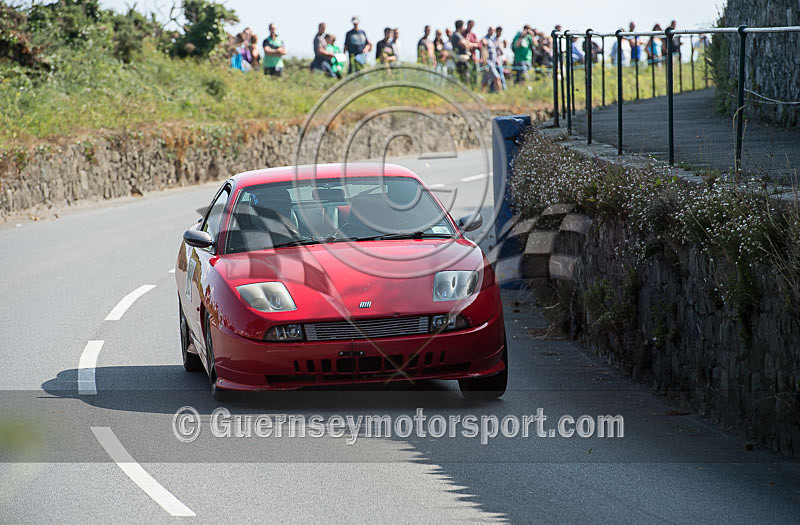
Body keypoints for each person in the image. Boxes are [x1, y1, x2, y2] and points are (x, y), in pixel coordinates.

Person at [480, 26, 502, 93]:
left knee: (485, 81)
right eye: (491, 30)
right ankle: (500, 93)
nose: (492, 32)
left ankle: (481, 94)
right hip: (488, 63)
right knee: (497, 78)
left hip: (493, 63)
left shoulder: (493, 40)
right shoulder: (485, 39)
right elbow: (483, 43)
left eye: (493, 31)